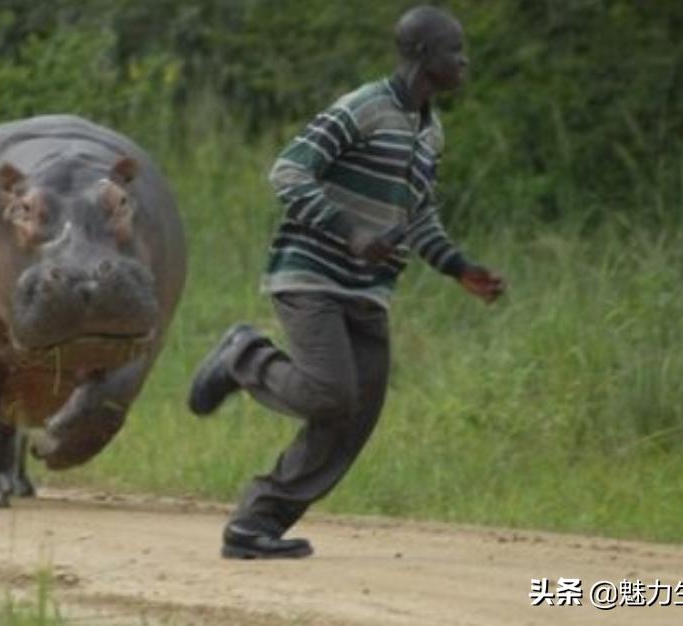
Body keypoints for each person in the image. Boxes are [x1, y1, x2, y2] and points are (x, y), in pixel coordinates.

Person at [187, 5, 506, 559]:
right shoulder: (362, 108)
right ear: (425, 55)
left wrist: (458, 267)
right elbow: (288, 170)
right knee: (330, 393)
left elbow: (417, 217)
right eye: (456, 50)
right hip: (311, 274)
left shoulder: (430, 132)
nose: (465, 61)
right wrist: (349, 229)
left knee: (355, 413)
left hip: (367, 289)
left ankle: (254, 525)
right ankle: (244, 355)